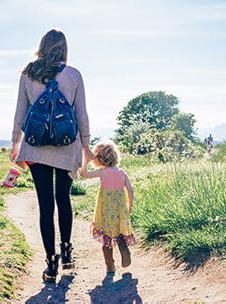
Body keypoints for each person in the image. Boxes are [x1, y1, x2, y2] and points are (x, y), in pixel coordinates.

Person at [10, 29, 92, 283]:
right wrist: (86, 145)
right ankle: (67, 255)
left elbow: (20, 111)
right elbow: (82, 115)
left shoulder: (28, 74)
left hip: (35, 147)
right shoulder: (74, 75)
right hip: (67, 146)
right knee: (63, 199)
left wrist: (16, 143)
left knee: (46, 206)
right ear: (64, 48)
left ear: (42, 47)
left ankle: (51, 264)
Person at [80, 140, 135, 274]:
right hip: (120, 209)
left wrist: (85, 161)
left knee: (106, 238)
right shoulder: (121, 172)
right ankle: (123, 248)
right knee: (119, 231)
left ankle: (110, 265)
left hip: (105, 209)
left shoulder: (102, 172)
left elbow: (84, 174)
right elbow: (130, 189)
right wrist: (130, 205)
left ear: (98, 158)